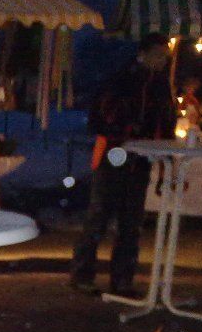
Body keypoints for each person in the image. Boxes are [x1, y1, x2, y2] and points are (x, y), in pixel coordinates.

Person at [69, 33, 174, 297]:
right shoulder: (121, 80)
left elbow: (165, 118)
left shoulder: (160, 85)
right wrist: (126, 131)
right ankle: (83, 273)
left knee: (131, 221)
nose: (162, 61)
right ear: (143, 54)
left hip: (140, 159)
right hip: (115, 154)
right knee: (100, 216)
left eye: (165, 57)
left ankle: (123, 279)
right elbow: (102, 115)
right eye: (158, 55)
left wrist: (162, 146)